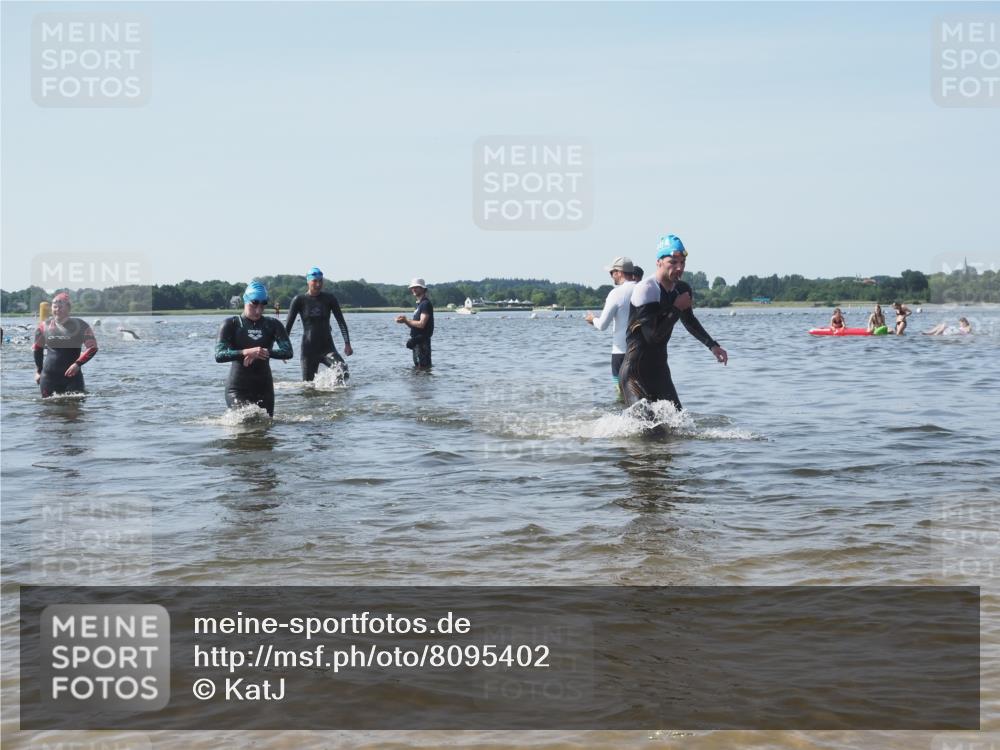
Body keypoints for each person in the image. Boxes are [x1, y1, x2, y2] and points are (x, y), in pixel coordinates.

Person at [618, 234, 728, 411]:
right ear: (659, 262)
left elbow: (689, 321)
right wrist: (676, 308)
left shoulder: (682, 289)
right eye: (673, 262)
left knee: (679, 429)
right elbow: (652, 337)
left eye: (682, 262)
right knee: (646, 431)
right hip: (634, 374)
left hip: (660, 372)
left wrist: (713, 346)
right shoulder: (646, 290)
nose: (679, 267)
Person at [215, 281, 293, 416]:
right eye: (254, 304)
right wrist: (245, 352)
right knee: (244, 421)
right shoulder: (230, 324)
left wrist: (265, 352)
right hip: (237, 389)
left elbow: (288, 352)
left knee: (265, 430)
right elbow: (219, 355)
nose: (258, 310)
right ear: (245, 301)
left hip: (264, 389)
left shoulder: (272, 324)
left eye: (263, 305)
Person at [284, 267, 353, 382]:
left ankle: (332, 395)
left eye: (320, 281)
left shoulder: (329, 299)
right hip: (308, 350)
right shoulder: (299, 300)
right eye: (314, 281)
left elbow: (341, 322)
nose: (318, 284)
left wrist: (347, 344)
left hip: (327, 348)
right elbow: (288, 327)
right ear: (308, 281)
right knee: (308, 386)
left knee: (343, 370)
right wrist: (285, 349)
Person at [585, 256, 638, 393]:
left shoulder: (616, 293)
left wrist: (592, 319)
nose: (611, 276)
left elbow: (602, 325)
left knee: (621, 395)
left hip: (620, 354)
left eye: (611, 273)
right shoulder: (643, 289)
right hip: (641, 352)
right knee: (642, 394)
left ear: (619, 272)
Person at [32, 292, 98, 397]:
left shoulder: (80, 325)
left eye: (61, 307)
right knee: (47, 411)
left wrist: (77, 364)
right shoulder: (43, 326)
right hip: (48, 378)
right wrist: (39, 371)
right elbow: (37, 349)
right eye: (55, 307)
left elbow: (93, 347)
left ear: (68, 308)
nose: (57, 309)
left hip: (72, 378)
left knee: (75, 410)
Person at [395, 278, 434, 369]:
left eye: (417, 287)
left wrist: (406, 320)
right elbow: (415, 325)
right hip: (417, 341)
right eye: (412, 287)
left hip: (422, 341)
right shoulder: (420, 305)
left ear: (423, 289)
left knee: (422, 368)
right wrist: (404, 321)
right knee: (418, 368)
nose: (414, 289)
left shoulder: (425, 304)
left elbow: (421, 324)